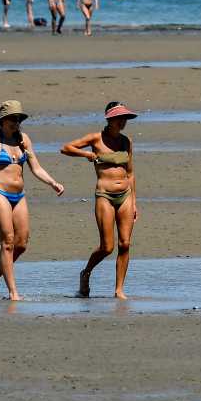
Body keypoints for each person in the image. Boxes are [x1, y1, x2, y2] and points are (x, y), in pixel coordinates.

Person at [0, 100, 65, 301]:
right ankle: (13, 293)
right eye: (12, 119)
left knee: (21, 244)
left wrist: (53, 183)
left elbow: (36, 167)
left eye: (18, 119)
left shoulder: (23, 139)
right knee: (8, 242)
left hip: (19, 196)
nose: (16, 123)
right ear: (3, 121)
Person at [61, 102, 138, 299]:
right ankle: (86, 273)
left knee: (125, 243)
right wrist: (86, 153)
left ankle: (119, 289)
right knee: (107, 247)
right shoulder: (96, 138)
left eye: (125, 119)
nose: (122, 122)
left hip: (126, 195)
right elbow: (66, 148)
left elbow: (130, 173)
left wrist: (135, 202)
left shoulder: (126, 141)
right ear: (110, 120)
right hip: (105, 195)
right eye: (119, 119)